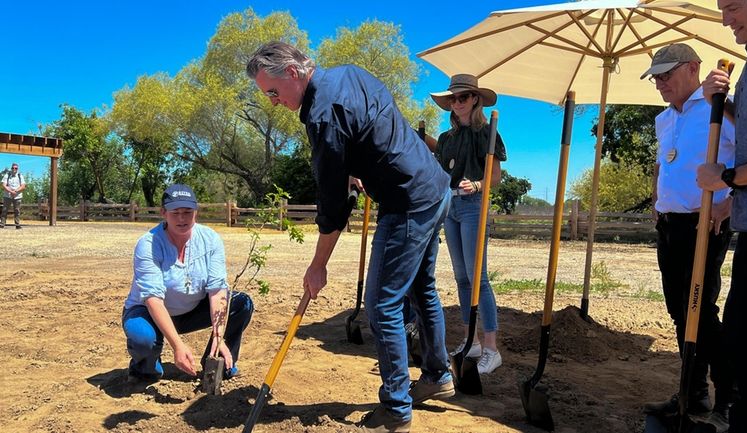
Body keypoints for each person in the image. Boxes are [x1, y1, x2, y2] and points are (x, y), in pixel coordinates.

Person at [247, 41, 453, 433]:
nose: (272, 101)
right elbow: (377, 126)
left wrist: (318, 265)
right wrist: (357, 165)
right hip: (436, 188)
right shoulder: (349, 73)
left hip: (407, 202)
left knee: (382, 305)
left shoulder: (322, 117)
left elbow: (332, 205)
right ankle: (437, 375)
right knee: (422, 290)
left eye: (272, 92)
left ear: (292, 73)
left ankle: (395, 409)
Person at [638, 43, 735, 425]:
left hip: (706, 222)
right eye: (656, 78)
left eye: (666, 74)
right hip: (670, 225)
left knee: (701, 311)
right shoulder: (665, 119)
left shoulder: (718, 108)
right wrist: (658, 198)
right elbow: (666, 162)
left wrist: (729, 204)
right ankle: (692, 393)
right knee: (680, 312)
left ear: (693, 68)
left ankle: (729, 398)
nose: (660, 83)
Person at [698, 1, 747, 431]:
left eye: (733, 6)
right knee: (744, 343)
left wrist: (727, 176)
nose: (725, 19)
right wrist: (720, 103)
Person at [121, 184, 253, 382]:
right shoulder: (148, 244)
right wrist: (177, 345)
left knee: (242, 303)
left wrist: (219, 335)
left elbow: (217, 290)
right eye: (175, 213)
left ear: (196, 212)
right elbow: (153, 299)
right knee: (143, 337)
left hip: (191, 310)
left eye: (187, 212)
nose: (182, 218)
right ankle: (145, 370)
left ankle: (218, 361)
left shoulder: (210, 239)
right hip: (149, 311)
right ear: (163, 213)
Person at [429, 74, 506, 375]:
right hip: (451, 206)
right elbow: (441, 164)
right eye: (453, 98)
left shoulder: (486, 133)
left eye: (463, 97)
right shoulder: (447, 139)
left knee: (478, 278)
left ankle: (491, 348)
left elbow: (496, 178)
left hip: (474, 206)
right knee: (462, 278)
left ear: (475, 99)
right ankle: (470, 340)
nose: (457, 102)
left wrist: (476, 184)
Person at [1, 163, 26, 229]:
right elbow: (3, 185)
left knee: (17, 210)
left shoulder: (20, 175)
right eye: (13, 168)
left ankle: (17, 225)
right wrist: (11, 191)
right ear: (11, 168)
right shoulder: (7, 175)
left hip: (17, 196)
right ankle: (2, 224)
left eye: (16, 168)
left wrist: (15, 191)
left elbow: (23, 186)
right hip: (7, 196)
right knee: (4, 210)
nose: (14, 169)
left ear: (17, 169)